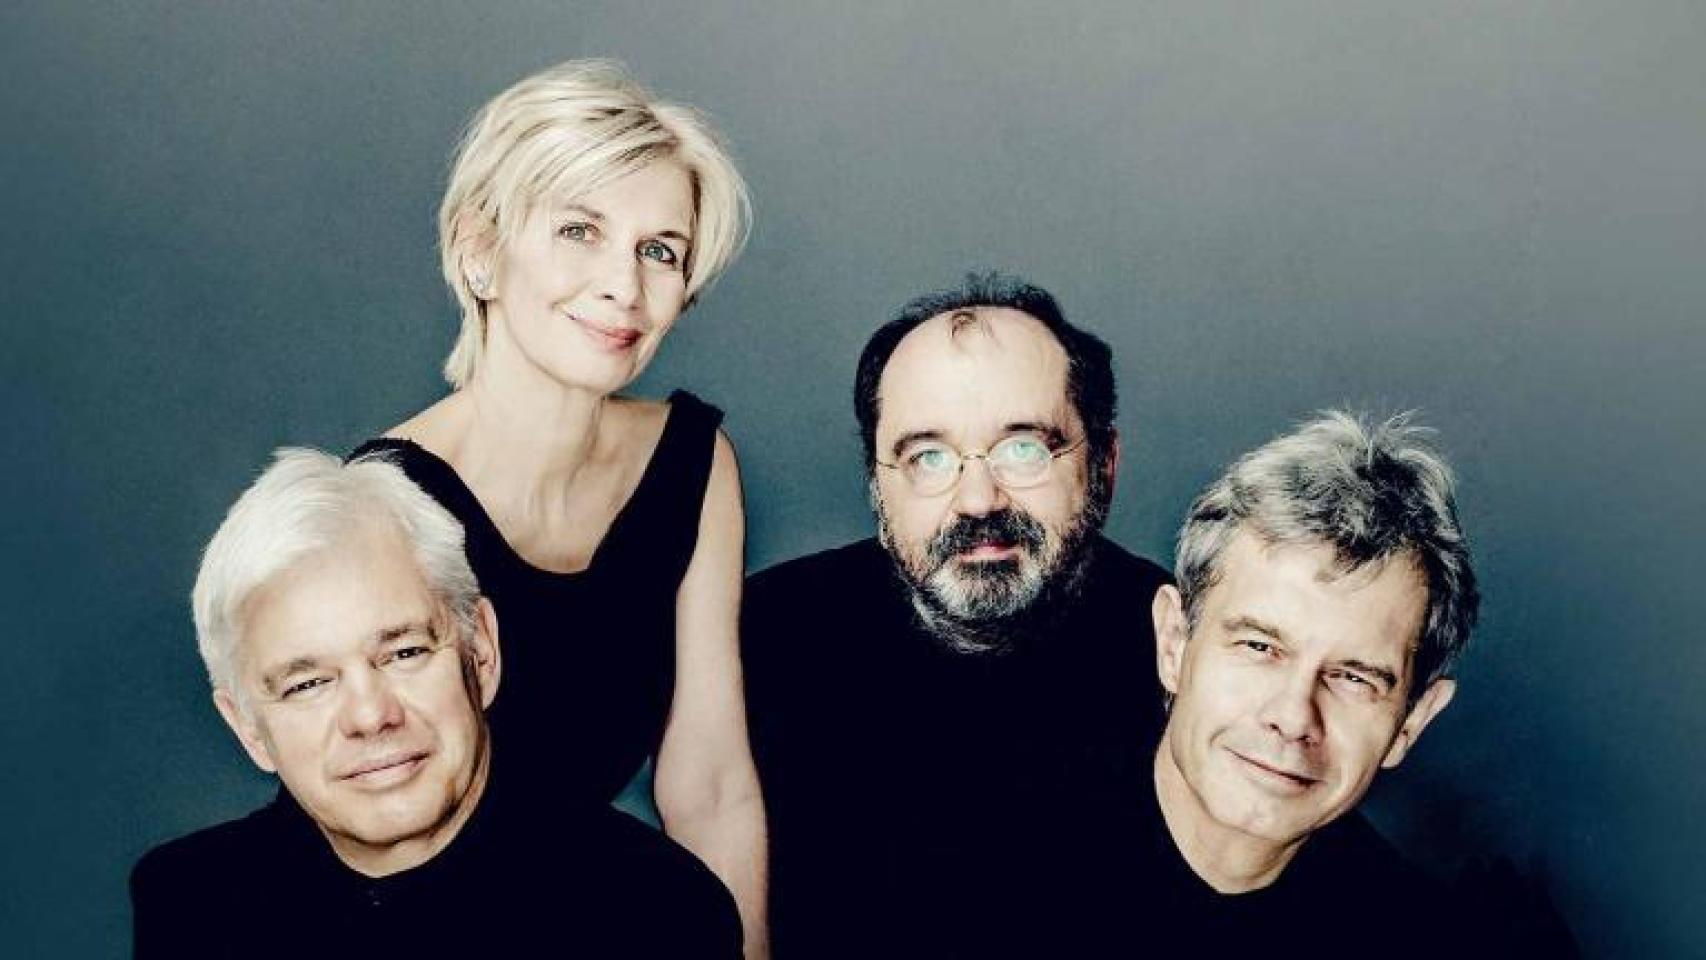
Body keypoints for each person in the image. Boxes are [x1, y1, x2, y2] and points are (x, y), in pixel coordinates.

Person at [347, 60, 766, 951]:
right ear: (478, 253)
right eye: (580, 230)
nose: (624, 285)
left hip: (599, 913)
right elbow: (375, 827)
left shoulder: (694, 463)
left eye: (660, 250)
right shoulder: (381, 501)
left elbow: (709, 783)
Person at [131, 449, 742, 958]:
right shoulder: (190, 905)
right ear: (248, 728)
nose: (371, 716)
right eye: (308, 684)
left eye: (404, 653)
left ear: (482, 653)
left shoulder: (656, 911)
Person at [742, 273, 1172, 957]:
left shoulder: (1188, 659)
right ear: (878, 486)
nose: (978, 499)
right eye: (928, 457)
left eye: (1024, 448)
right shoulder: (765, 636)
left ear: (1105, 465)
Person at [1049, 410, 1496, 956]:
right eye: (1259, 647)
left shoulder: (1419, 942)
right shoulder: (987, 831)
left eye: (1352, 677)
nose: (1292, 717)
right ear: (1173, 643)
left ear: (1412, 722)